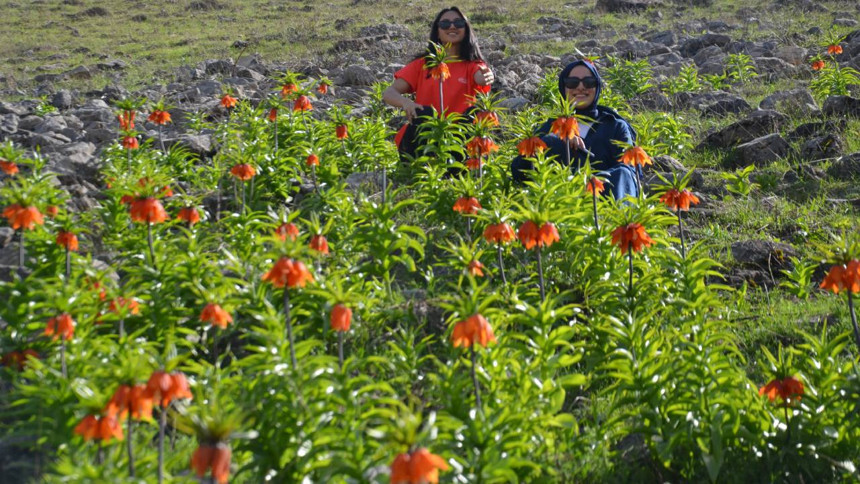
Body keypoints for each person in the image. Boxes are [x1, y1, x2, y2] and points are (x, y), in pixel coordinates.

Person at [511, 60, 639, 200]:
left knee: (622, 172)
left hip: (605, 198)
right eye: (572, 82)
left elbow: (629, 171)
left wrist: (593, 182)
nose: (580, 87)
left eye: (588, 82)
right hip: (561, 200)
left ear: (597, 87)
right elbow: (518, 171)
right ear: (563, 88)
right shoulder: (551, 126)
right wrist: (552, 141)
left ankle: (618, 219)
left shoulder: (614, 126)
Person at [382, 7, 495, 161]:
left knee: (473, 115)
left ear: (466, 29)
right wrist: (405, 102)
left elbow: (481, 77)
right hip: (426, 134)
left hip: (459, 135)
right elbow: (389, 93)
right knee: (425, 113)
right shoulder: (423, 64)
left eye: (458, 22)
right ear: (438, 31)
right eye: (445, 24)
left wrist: (487, 76)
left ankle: (466, 161)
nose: (452, 26)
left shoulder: (473, 65)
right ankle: (418, 163)